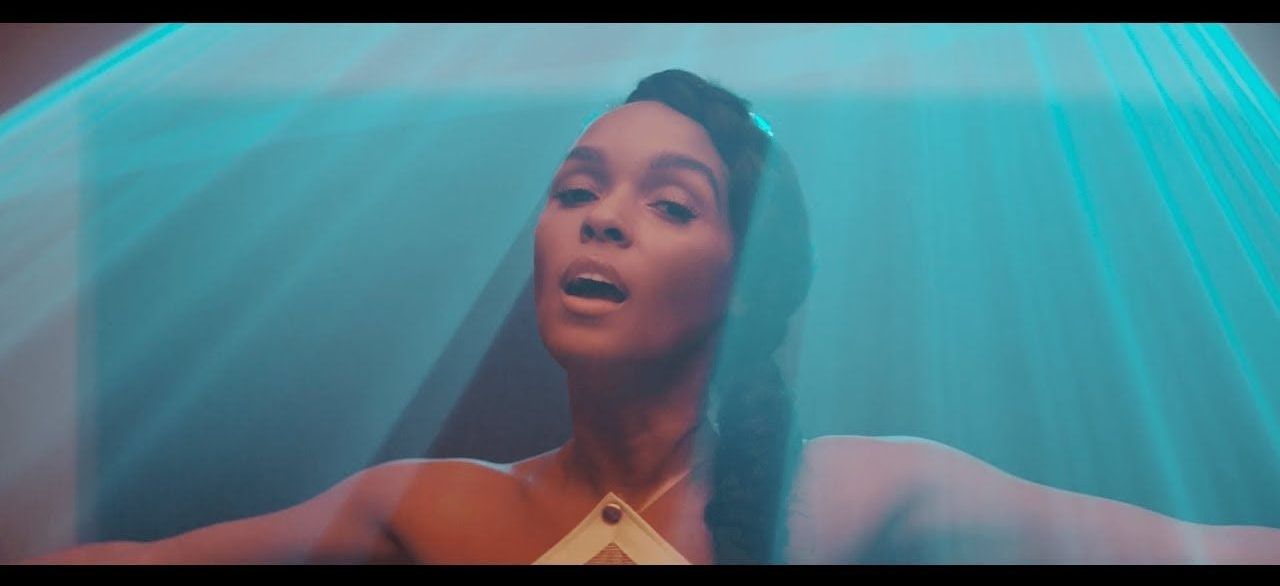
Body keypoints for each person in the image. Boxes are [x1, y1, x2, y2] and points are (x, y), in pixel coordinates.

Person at [28, 69, 1280, 565]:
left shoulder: (854, 495)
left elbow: (1209, 550)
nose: (601, 222)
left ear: (743, 277)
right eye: (575, 190)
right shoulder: (432, 509)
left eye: (668, 202)